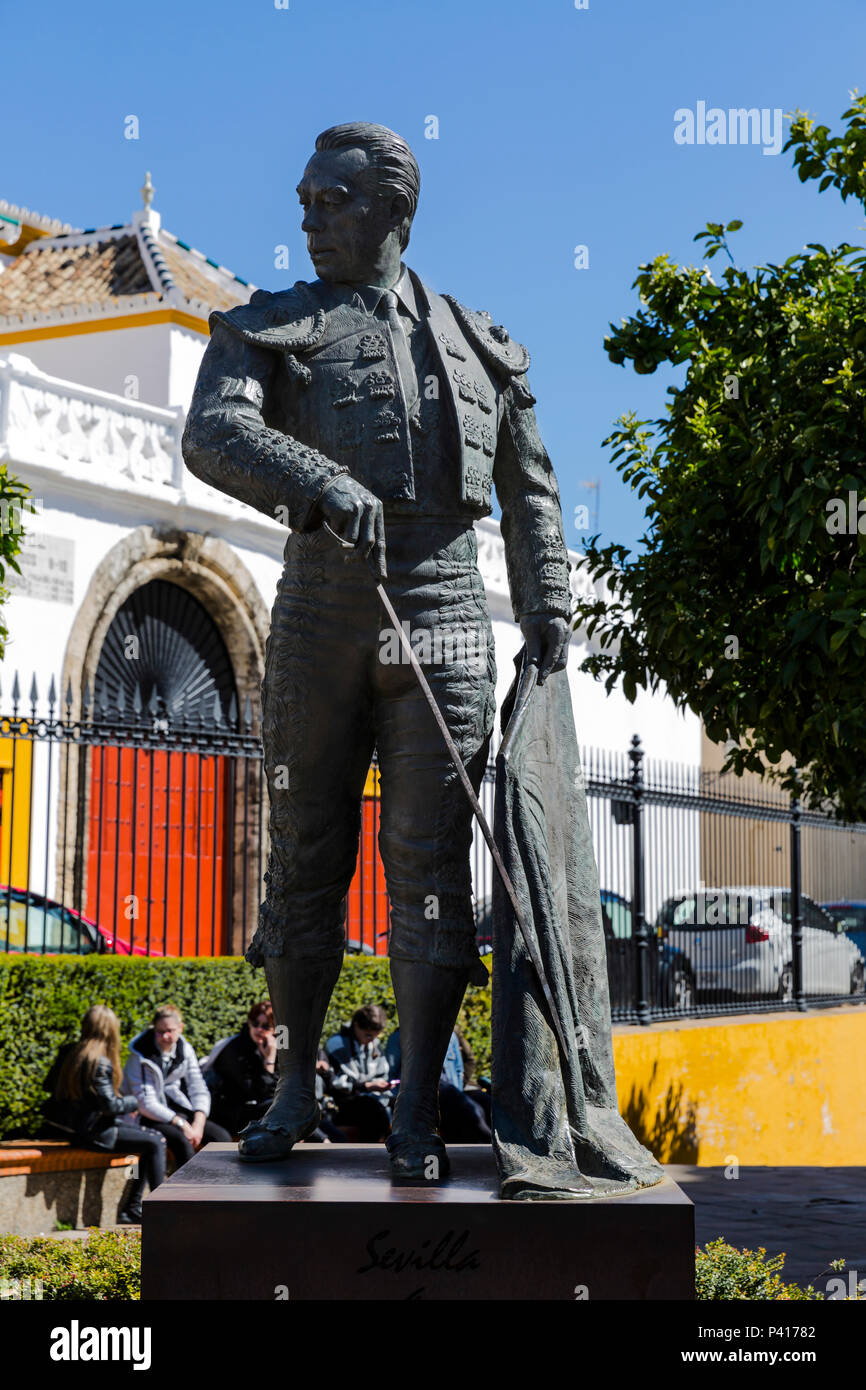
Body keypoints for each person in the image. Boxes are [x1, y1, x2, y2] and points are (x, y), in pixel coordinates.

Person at [182, 121, 571, 1177]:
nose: (307, 216)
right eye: (305, 199)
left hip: (444, 608)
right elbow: (211, 428)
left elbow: (531, 491)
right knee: (303, 856)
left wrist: (547, 606)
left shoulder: (478, 342)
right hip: (320, 608)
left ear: (394, 213)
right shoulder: (272, 324)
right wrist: (310, 478)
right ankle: (295, 1081)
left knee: (430, 867)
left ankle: (413, 1106)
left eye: (332, 201)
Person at [43, 1005, 166, 1224]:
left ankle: (134, 1207)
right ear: (110, 1031)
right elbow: (110, 1105)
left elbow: (48, 1086)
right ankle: (160, 1210)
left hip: (74, 1129)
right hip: (96, 1132)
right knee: (155, 1141)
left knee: (147, 1141)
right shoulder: (100, 1061)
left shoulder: (69, 1051)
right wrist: (133, 1101)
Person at [123, 1005, 230, 1168]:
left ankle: (219, 1186)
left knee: (221, 1138)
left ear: (180, 1028)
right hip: (144, 1115)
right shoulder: (140, 1055)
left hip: (174, 1106)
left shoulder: (185, 1049)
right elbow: (145, 1103)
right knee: (182, 1141)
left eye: (170, 1031)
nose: (165, 1036)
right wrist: (181, 1124)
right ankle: (188, 1190)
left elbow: (198, 1086)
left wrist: (198, 1122)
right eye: (159, 1031)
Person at [386, 1025, 491, 1143]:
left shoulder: (451, 1036)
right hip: (422, 1091)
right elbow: (391, 1073)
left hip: (450, 1090)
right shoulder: (398, 1037)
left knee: (485, 1105)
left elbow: (459, 1069)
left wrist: (459, 1093)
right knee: (471, 1111)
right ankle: (489, 1142)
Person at [205, 1001, 278, 1137]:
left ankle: (324, 1140)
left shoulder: (271, 1046)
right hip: (229, 1113)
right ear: (249, 1023)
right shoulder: (235, 1049)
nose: (259, 1030)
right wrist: (269, 1060)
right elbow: (257, 1093)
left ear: (274, 1029)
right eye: (255, 1024)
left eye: (266, 1026)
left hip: (254, 1110)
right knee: (278, 1108)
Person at [324, 1005, 393, 1141]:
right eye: (368, 1035)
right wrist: (367, 1086)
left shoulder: (374, 1042)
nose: (372, 1040)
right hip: (343, 1101)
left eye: (375, 1036)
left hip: (374, 1096)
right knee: (372, 1109)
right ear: (356, 1025)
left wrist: (383, 1086)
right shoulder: (337, 1044)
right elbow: (338, 1083)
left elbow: (382, 1072)